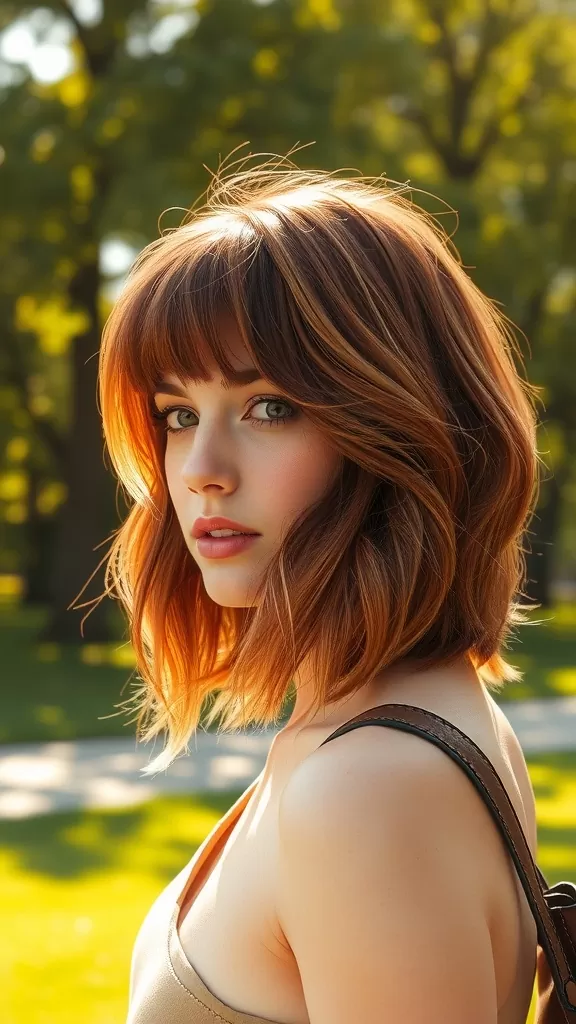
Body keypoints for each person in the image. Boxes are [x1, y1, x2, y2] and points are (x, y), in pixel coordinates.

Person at [97, 153, 542, 1024]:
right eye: (178, 414)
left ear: (402, 423)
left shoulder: (369, 786)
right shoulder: (379, 725)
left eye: (270, 406)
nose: (202, 473)